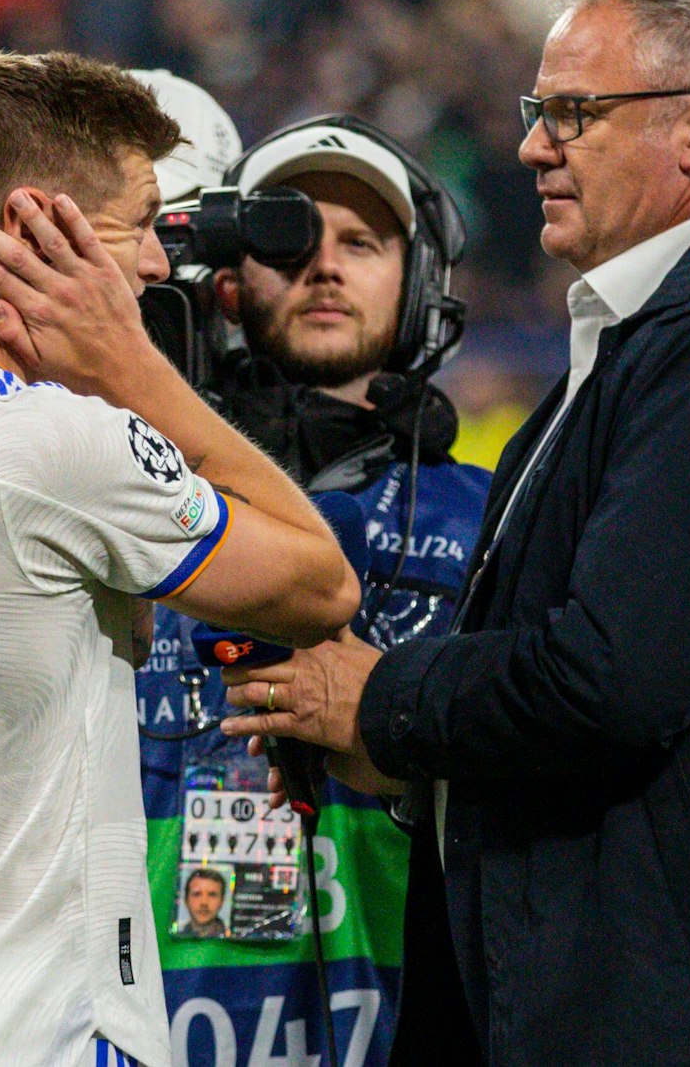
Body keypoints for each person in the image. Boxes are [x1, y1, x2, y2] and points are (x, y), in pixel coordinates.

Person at [215, 0, 690, 1064]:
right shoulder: (668, 340)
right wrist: (410, 750)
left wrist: (381, 702)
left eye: (571, 112)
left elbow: (607, 678)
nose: (530, 145)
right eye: (536, 112)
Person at [0, 50, 357, 1067]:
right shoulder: (51, 448)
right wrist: (136, 374)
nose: (155, 267)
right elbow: (317, 584)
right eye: (132, 226)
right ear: (37, 226)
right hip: (42, 1036)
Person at [135, 113, 492, 1066]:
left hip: (423, 1020)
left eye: (363, 242)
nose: (324, 265)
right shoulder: (130, 499)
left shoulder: (501, 521)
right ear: (226, 284)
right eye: (287, 239)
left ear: (420, 286)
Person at [181, 869, 229, 939]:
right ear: (186, 900)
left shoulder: (234, 945)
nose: (204, 902)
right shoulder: (174, 943)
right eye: (197, 894)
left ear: (222, 901)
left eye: (212, 895)